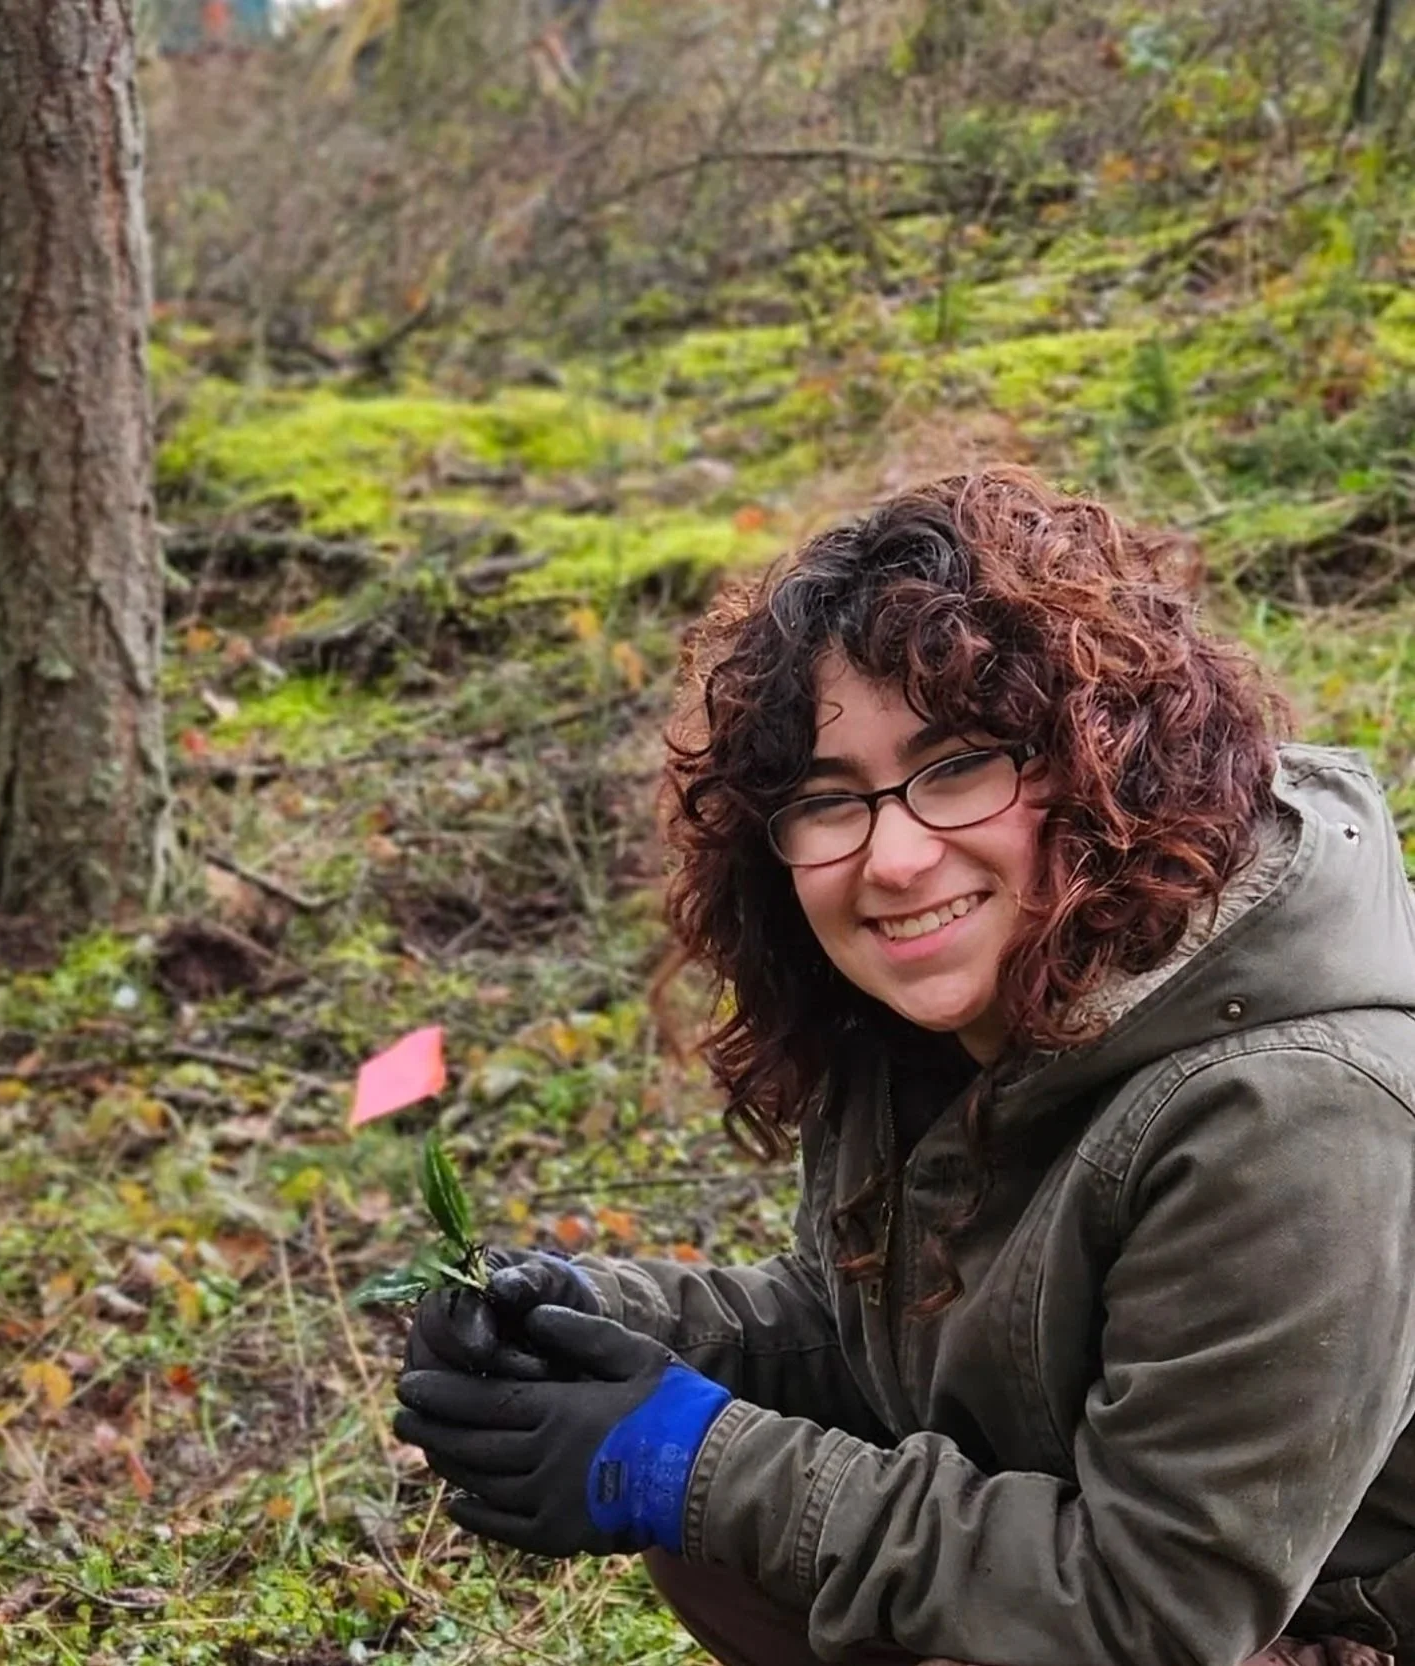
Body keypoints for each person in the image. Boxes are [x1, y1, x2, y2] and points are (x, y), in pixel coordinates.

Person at [394, 467, 1415, 1666]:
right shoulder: (950, 1013)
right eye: (828, 801)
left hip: (1290, 1626)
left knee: (732, 1507)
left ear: (1106, 765)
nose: (891, 857)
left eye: (957, 767)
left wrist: (688, 1458)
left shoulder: (1298, 1110)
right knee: (730, 1528)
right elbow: (888, 1341)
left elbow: (1153, 1614)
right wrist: (592, 1322)